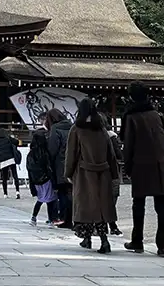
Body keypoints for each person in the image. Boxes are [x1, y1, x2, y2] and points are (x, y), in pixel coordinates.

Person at [121, 82, 164, 258]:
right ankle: (163, 245)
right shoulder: (158, 115)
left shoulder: (131, 117)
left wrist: (127, 166)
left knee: (138, 204)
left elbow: (128, 144)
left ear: (131, 97)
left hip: (140, 163)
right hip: (160, 163)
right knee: (161, 205)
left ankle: (138, 240)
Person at [65, 98, 119, 254]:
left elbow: (71, 154)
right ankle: (103, 239)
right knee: (100, 207)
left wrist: (68, 173)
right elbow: (111, 154)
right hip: (103, 173)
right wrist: (114, 173)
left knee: (86, 207)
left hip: (84, 173)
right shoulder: (101, 129)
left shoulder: (76, 129)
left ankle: (88, 238)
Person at [46, 108, 73, 228]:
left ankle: (65, 219)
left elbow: (52, 149)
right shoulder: (72, 126)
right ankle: (74, 218)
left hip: (60, 164)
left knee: (63, 193)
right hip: (73, 163)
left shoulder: (55, 129)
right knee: (72, 192)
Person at [27, 127, 57, 227]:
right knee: (50, 200)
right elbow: (48, 167)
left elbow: (29, 168)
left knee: (40, 199)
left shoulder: (31, 154)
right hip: (46, 179)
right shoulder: (44, 152)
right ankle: (50, 220)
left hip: (36, 180)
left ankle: (33, 217)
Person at [102, 114, 124, 236]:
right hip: (112, 171)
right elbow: (118, 154)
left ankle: (103, 225)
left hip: (97, 172)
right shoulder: (111, 136)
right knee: (111, 200)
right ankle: (112, 225)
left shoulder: (89, 136)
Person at [0, 129, 20, 199]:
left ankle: (5, 194)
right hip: (11, 159)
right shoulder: (8, 139)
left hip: (3, 161)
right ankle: (17, 192)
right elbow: (17, 142)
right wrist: (12, 137)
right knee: (15, 175)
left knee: (4, 178)